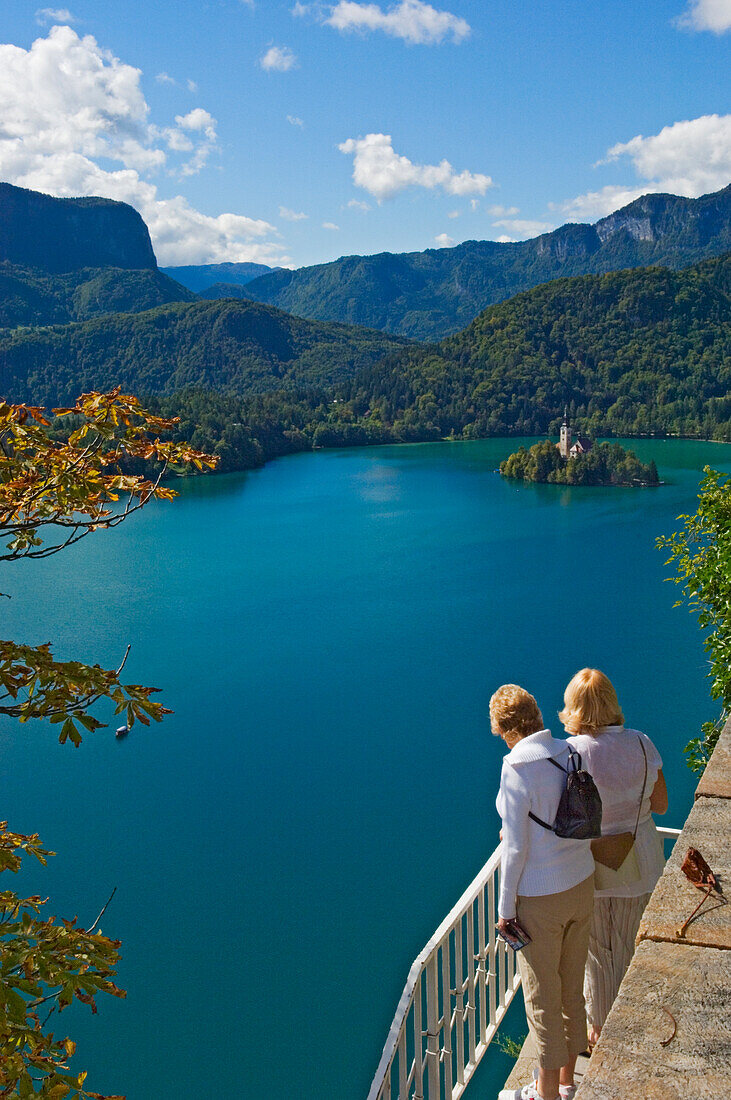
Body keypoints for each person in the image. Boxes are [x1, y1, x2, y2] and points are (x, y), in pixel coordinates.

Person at [493, 685, 595, 1100]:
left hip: (540, 897)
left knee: (542, 1000)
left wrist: (505, 909)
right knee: (572, 987)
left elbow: (515, 848)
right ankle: (567, 1083)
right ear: (535, 715)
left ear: (503, 728)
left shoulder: (516, 768)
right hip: (581, 882)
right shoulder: (570, 752)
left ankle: (546, 1094)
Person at [560, 668, 668, 1049]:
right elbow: (662, 804)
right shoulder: (641, 742)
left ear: (575, 707)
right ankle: (636, 1018)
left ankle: (606, 1035)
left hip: (594, 865)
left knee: (601, 952)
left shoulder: (571, 753)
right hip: (644, 858)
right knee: (633, 944)